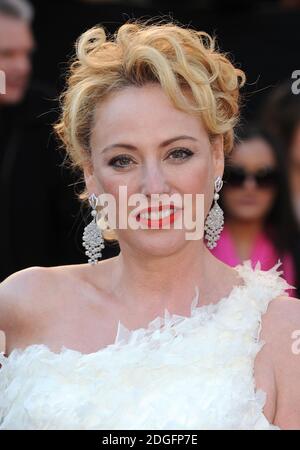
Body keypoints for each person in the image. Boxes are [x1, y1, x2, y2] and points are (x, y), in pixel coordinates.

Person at [0, 19, 300, 430]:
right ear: (90, 174)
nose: (153, 187)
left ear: (216, 157)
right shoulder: (20, 305)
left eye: (178, 153)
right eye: (123, 160)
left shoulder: (283, 333)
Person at [210, 126, 298, 295]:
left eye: (263, 176)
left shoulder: (294, 249)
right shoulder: (193, 245)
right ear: (219, 178)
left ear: (279, 183)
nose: (250, 187)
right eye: (236, 175)